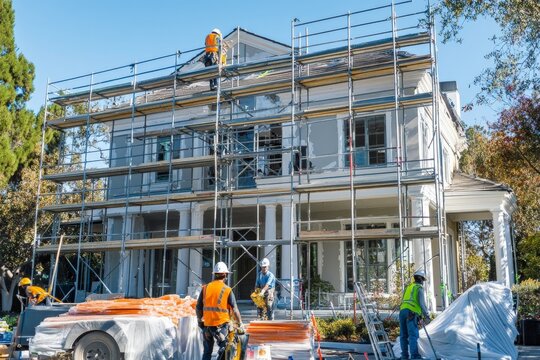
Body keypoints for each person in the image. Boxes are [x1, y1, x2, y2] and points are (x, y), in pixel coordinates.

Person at [196, 262, 245, 360]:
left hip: (207, 325)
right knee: (224, 350)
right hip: (221, 325)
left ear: (214, 274)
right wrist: (240, 323)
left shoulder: (205, 288)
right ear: (225, 275)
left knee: (207, 352)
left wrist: (200, 322)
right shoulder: (227, 290)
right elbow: (235, 309)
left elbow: (198, 308)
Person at [399, 269, 431, 360]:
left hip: (402, 312)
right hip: (411, 313)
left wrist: (419, 315)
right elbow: (422, 304)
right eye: (423, 280)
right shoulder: (419, 288)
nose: (423, 282)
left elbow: (406, 300)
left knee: (403, 335)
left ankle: (404, 356)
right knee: (413, 335)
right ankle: (415, 356)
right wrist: (427, 316)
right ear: (420, 279)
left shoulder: (408, 287)